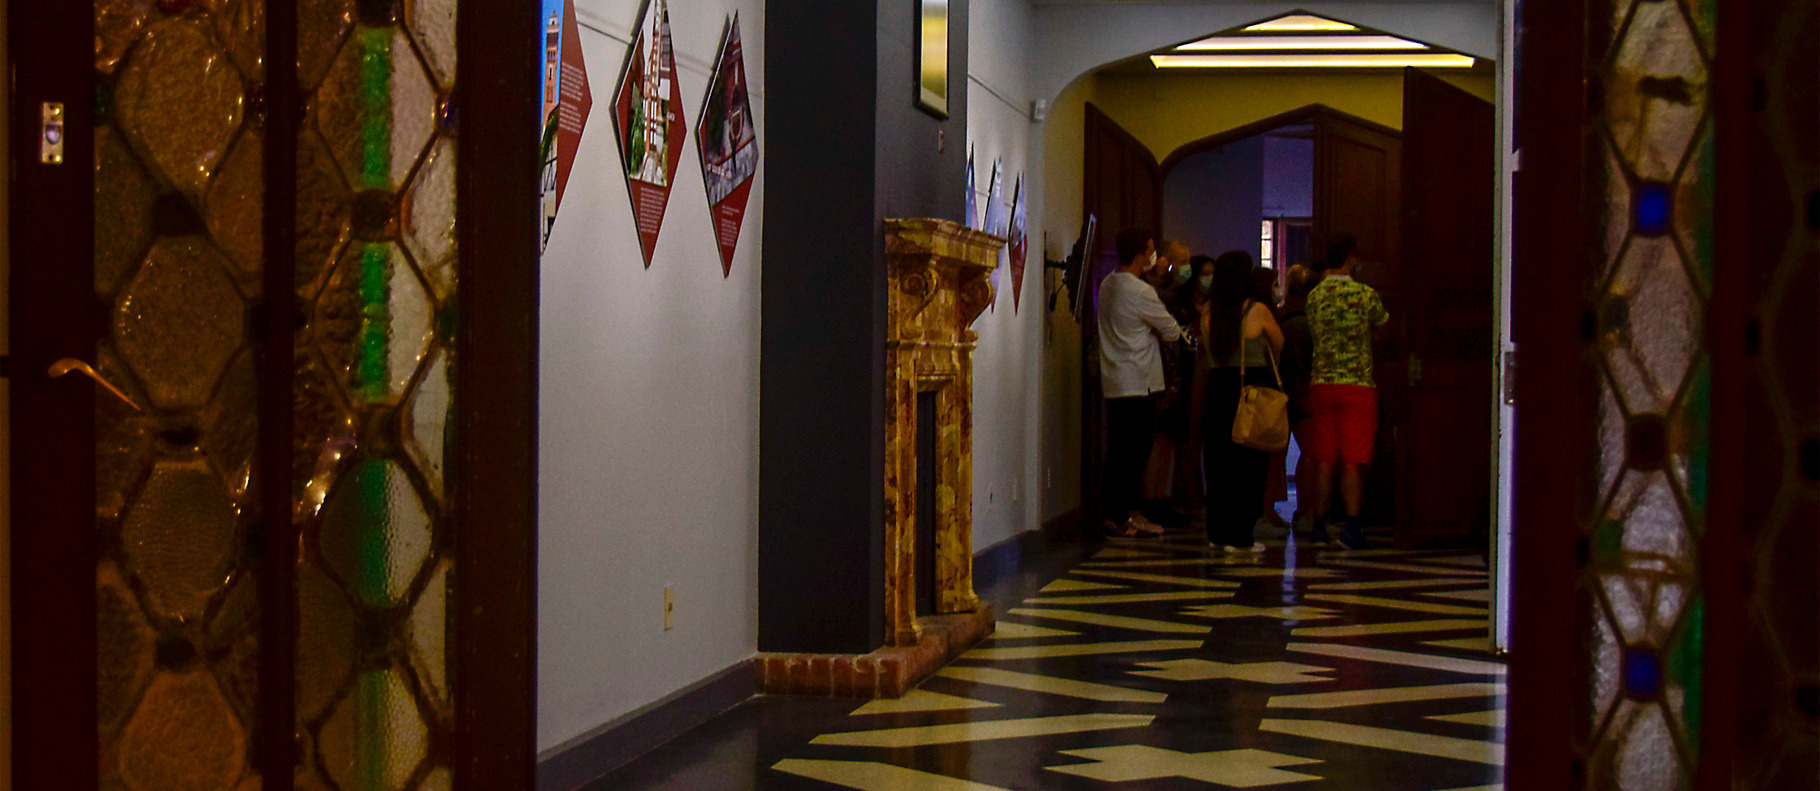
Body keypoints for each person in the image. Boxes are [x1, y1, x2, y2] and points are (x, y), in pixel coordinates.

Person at [1097, 227, 1184, 538]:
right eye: (1150, 250)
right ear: (1140, 255)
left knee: (1117, 453)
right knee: (1135, 455)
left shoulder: (1107, 284)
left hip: (1114, 379)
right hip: (1139, 381)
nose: (1154, 256)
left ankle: (1115, 513)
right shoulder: (1140, 291)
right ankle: (1128, 515)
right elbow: (1171, 330)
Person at [1304, 234, 1390, 550]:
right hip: (1357, 384)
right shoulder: (1365, 295)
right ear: (1352, 258)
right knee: (1353, 458)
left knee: (1324, 457)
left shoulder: (1315, 296)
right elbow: (1383, 329)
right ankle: (1352, 527)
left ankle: (1318, 525)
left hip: (1322, 383)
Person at [1200, 251, 1283, 553]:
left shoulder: (1208, 310)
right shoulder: (1256, 309)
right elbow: (1279, 343)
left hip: (1216, 388)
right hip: (1250, 390)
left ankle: (1218, 531)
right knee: (1249, 464)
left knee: (1218, 462)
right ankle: (1241, 535)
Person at [1277, 264, 1323, 540]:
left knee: (1275, 457)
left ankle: (1268, 512)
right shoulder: (1308, 323)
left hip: (1279, 393)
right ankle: (1306, 510)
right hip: (1303, 393)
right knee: (1311, 454)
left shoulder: (1280, 316)